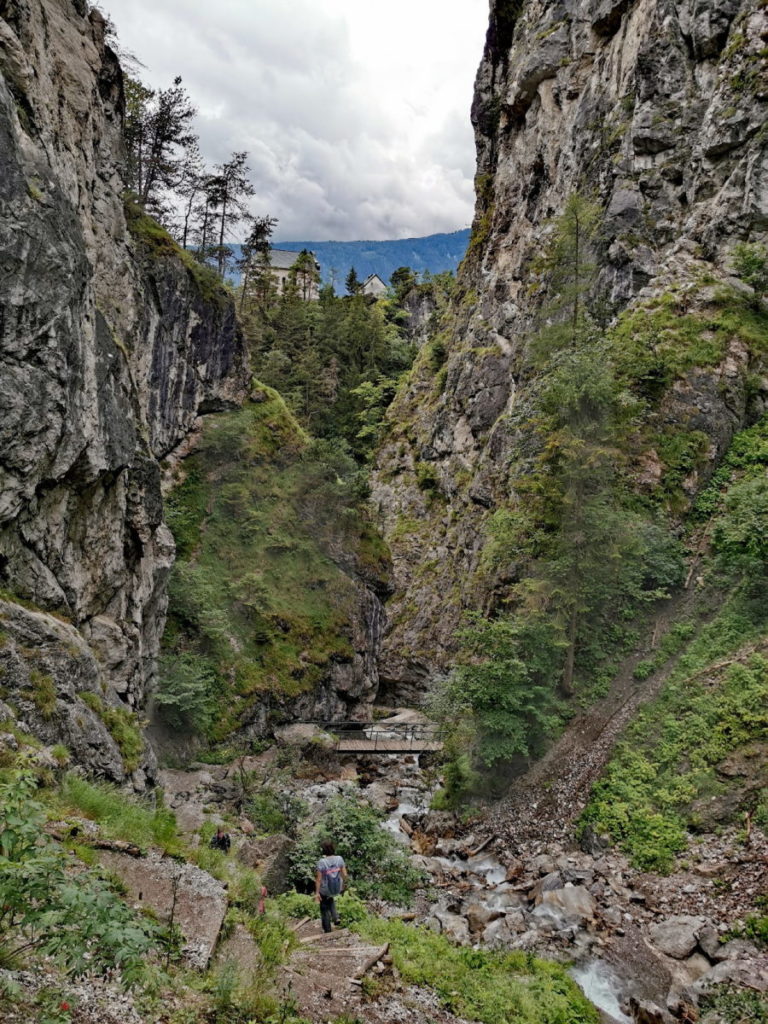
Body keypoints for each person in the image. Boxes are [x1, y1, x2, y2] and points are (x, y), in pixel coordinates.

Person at [314, 839, 348, 933]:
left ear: (323, 850)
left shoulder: (322, 862)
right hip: (336, 888)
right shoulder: (339, 859)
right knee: (330, 898)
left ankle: (327, 929)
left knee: (324, 907)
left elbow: (319, 879)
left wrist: (317, 893)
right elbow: (345, 875)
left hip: (326, 889)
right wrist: (343, 885)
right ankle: (335, 917)